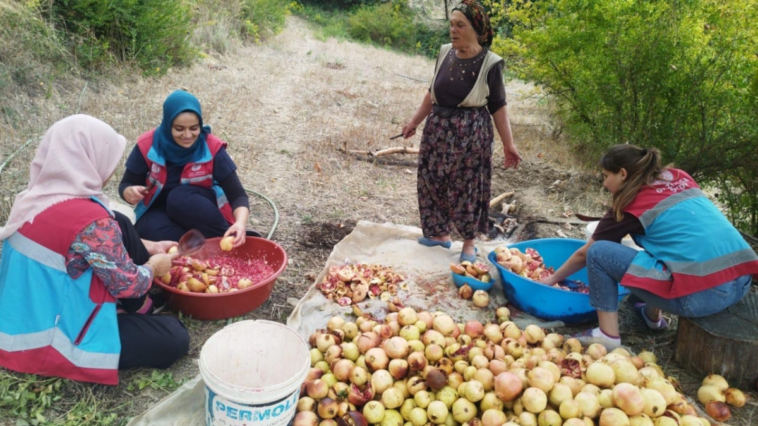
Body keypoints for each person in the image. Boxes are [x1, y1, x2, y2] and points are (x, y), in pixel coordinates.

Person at [0, 115, 190, 385]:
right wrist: (154, 267)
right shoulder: (91, 222)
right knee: (174, 336)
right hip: (50, 337)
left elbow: (93, 243)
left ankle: (138, 310)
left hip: (23, 314)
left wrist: (152, 246)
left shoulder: (37, 197)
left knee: (120, 220)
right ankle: (135, 312)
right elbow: (130, 285)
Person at [539, 144, 758, 348]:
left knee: (598, 252)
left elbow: (584, 254)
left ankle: (607, 335)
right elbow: (675, 242)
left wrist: (550, 280)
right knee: (662, 245)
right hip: (741, 281)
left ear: (623, 174)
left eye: (606, 176)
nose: (604, 184)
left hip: (703, 297)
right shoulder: (679, 177)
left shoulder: (629, 202)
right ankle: (652, 318)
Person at [401, 0, 522, 262]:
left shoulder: (491, 63)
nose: (453, 30)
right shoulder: (445, 52)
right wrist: (414, 122)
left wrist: (508, 144)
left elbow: (499, 106)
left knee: (469, 187)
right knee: (431, 181)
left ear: (477, 29)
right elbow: (431, 93)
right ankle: (439, 235)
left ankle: (469, 243)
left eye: (460, 25)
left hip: (471, 134)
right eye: (451, 25)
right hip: (438, 129)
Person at [120, 90, 254, 246]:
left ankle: (227, 237)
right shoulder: (147, 146)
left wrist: (240, 224)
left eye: (194, 128)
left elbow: (238, 194)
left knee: (178, 198)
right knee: (145, 230)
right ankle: (202, 247)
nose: (188, 135)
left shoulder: (211, 147)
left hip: (199, 209)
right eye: (179, 129)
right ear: (167, 124)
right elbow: (126, 184)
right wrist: (128, 192)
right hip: (161, 209)